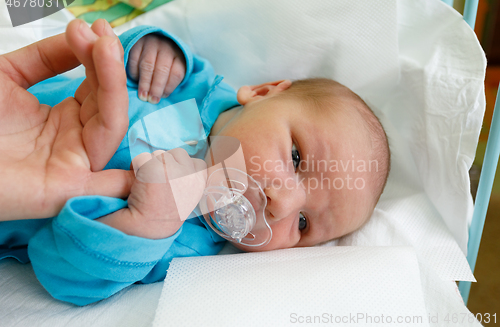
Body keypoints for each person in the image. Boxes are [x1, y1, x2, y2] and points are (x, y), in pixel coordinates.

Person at [0, 19, 390, 305]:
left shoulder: (186, 243)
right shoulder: (193, 84)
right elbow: (112, 61)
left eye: (303, 224)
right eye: (295, 157)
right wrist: (150, 50)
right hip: (16, 101)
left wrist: (146, 226)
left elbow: (60, 272)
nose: (282, 204)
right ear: (261, 91)